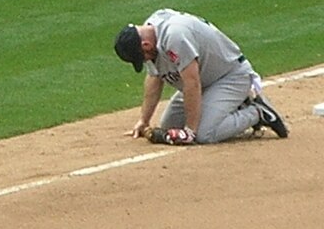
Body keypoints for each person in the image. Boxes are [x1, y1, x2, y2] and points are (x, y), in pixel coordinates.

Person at [113, 8, 288, 145]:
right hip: (206, 81)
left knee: (204, 134)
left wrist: (190, 130)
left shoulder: (175, 36)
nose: (145, 60)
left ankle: (257, 112)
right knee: (170, 128)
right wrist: (144, 120)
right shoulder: (148, 33)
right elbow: (154, 78)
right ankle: (233, 106)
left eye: (142, 56)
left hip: (230, 77)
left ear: (145, 44)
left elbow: (192, 83)